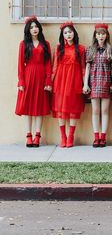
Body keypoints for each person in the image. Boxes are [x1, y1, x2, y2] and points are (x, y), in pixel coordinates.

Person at [15, 16, 52, 148]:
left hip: (41, 76)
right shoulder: (23, 44)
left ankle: (37, 136)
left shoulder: (45, 44)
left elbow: (48, 64)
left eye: (36, 26)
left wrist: (48, 80)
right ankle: (28, 136)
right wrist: (21, 81)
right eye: (31, 27)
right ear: (28, 30)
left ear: (39, 28)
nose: (34, 29)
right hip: (28, 75)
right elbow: (20, 64)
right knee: (28, 108)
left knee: (40, 107)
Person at [83, 24, 112, 147]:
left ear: (106, 35)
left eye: (103, 34)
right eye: (98, 34)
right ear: (95, 35)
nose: (101, 36)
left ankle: (103, 137)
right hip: (94, 81)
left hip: (106, 81)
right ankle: (96, 136)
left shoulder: (111, 49)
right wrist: (85, 84)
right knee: (95, 111)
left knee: (105, 111)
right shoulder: (90, 49)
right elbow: (87, 67)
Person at [52, 22, 85, 148]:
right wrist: (50, 82)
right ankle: (63, 136)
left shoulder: (81, 48)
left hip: (75, 80)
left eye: (70, 32)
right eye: (65, 33)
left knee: (73, 109)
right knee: (61, 109)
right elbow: (54, 66)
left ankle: (71, 135)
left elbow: (82, 67)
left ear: (74, 33)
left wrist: (84, 83)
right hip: (61, 81)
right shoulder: (58, 47)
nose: (68, 34)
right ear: (63, 35)